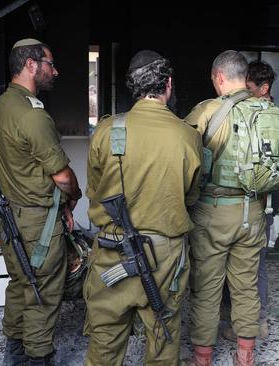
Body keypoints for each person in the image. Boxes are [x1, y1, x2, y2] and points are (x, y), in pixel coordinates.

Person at [83, 49, 202, 366]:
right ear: (169, 85)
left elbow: (94, 192)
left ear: (132, 88)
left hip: (111, 249)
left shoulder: (106, 132)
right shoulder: (187, 136)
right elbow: (190, 197)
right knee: (163, 342)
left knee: (104, 342)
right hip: (165, 255)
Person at [0, 38, 82, 366]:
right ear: (31, 64)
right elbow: (62, 176)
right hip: (37, 221)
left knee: (20, 284)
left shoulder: (1, 105)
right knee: (44, 292)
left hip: (11, 217)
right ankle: (38, 358)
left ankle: (14, 354)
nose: (54, 71)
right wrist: (73, 198)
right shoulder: (33, 115)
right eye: (49, 64)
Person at [186, 50, 266, 366]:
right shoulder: (265, 112)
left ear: (219, 77)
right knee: (246, 287)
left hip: (212, 211)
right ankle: (245, 358)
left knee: (206, 289)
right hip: (253, 211)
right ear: (244, 77)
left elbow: (183, 158)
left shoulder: (207, 111)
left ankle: (202, 359)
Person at [221, 59, 279, 341]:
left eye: (249, 89)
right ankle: (242, 321)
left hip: (261, 203)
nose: (244, 96)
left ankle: (255, 322)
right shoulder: (272, 115)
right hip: (253, 202)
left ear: (264, 88)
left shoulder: (271, 119)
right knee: (242, 264)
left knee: (254, 264)